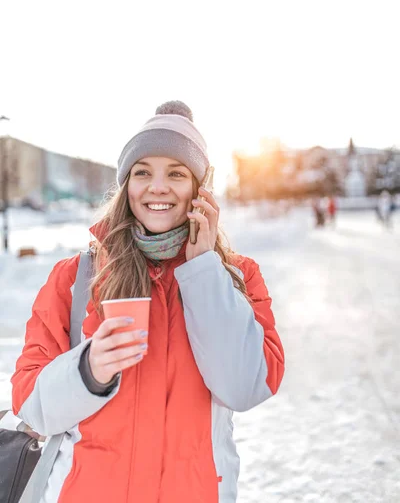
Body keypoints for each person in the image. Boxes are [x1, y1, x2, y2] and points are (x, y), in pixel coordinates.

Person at [11, 101, 285, 503]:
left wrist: (204, 269)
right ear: (126, 186)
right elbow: (32, 409)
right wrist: (88, 371)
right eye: (143, 172)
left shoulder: (236, 276)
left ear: (199, 189)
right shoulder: (77, 278)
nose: (158, 187)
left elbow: (245, 388)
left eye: (176, 173)